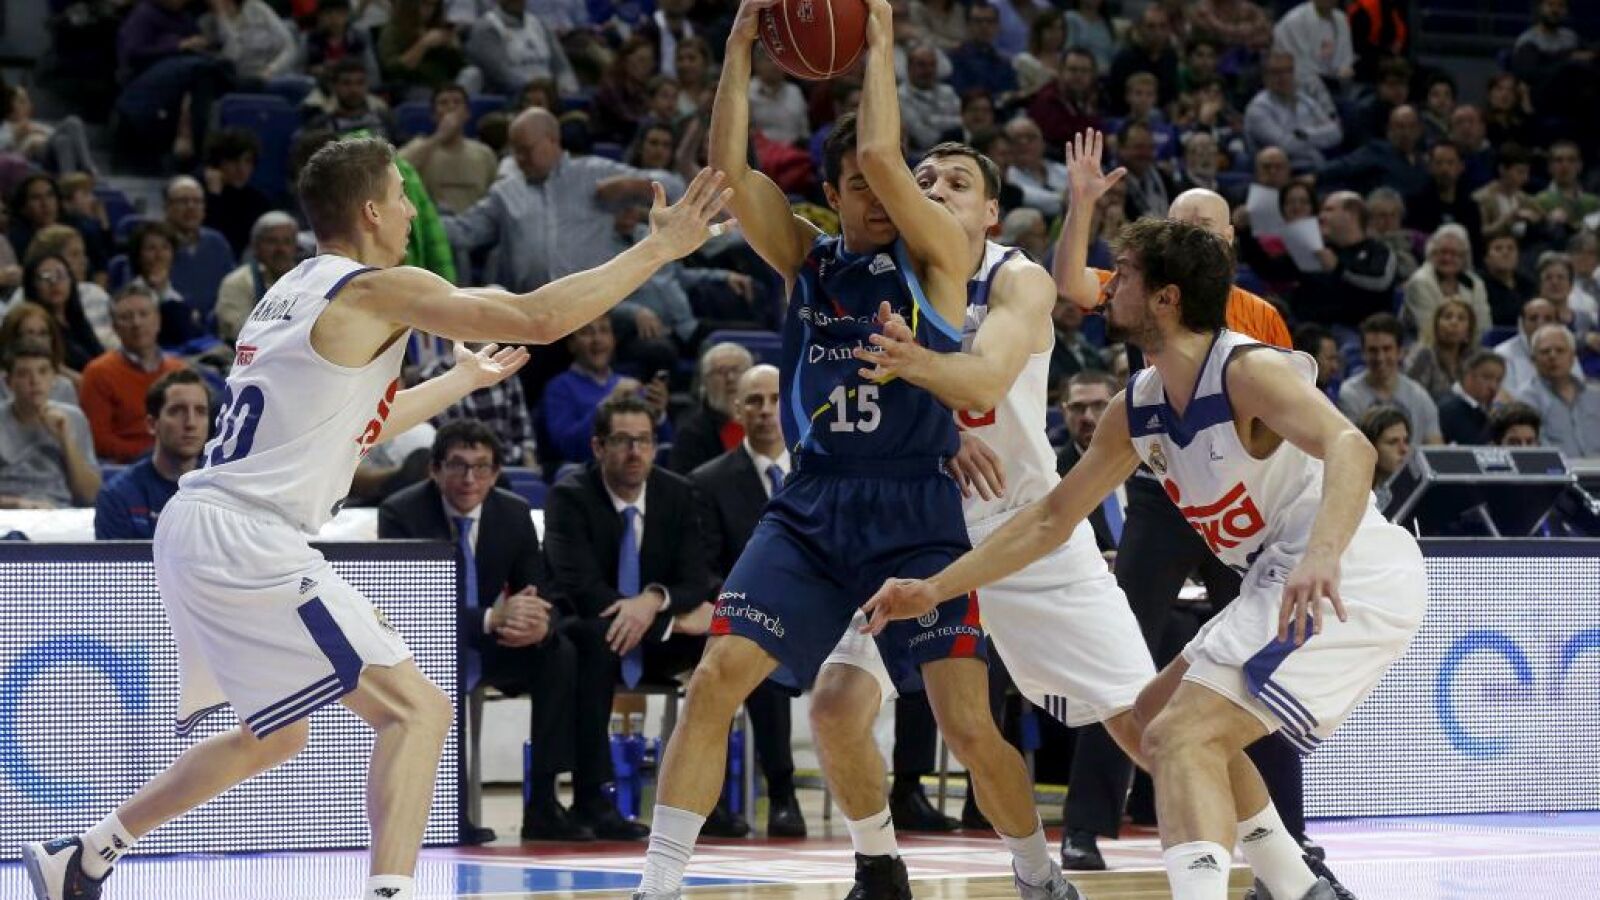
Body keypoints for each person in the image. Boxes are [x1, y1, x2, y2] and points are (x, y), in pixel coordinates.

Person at [21, 136, 731, 900]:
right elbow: (537, 316)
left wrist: (459, 379)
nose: (410, 213)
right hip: (246, 534)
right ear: (369, 210)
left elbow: (352, 430)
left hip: (203, 525)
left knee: (277, 734)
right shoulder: (375, 289)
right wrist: (658, 250)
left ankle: (84, 856)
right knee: (418, 713)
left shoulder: (290, 291)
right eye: (400, 197)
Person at [863, 215, 1428, 900]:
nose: (1106, 288)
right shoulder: (1139, 406)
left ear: (1166, 297)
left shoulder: (1246, 370)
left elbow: (1351, 446)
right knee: (1153, 720)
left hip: (1349, 572)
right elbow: (1049, 519)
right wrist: (935, 588)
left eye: (1123, 274)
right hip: (1274, 577)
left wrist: (1323, 556)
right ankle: (1299, 887)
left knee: (1183, 735)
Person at [636, 1, 1059, 897]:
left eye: (890, 186)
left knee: (966, 724)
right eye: (860, 189)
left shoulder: (937, 257)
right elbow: (729, 172)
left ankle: (1035, 872)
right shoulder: (808, 259)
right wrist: (739, 47)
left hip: (916, 511)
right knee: (716, 679)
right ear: (830, 198)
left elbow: (880, 152)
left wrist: (876, 38)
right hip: (813, 503)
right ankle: (660, 884)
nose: (881, 199)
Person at [814, 128, 1158, 896]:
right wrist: (936, 436)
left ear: (992, 212)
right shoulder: (876, 276)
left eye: (957, 182)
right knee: (841, 707)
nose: (935, 188)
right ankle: (882, 868)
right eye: (923, 179)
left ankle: (1281, 867)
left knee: (1146, 725)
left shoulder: (1016, 277)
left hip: (1023, 525)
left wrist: (942, 416)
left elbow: (984, 380)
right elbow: (845, 393)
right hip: (913, 527)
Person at [1055, 185, 1313, 873]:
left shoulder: (1260, 318)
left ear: (1228, 241)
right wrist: (1081, 202)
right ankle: (1085, 824)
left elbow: (1296, 425)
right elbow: (1073, 283)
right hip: (1164, 484)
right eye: (1179, 223)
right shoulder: (1145, 296)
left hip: (1240, 500)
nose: (1190, 233)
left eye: (1204, 225)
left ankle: (1289, 835)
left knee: (1259, 662)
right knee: (1122, 650)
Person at [376, 420, 570, 844]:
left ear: (496, 473)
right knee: (433, 668)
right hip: (427, 646)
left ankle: (544, 805)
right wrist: (489, 618)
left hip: (493, 644)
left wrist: (537, 622)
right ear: (435, 469)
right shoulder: (401, 513)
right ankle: (448, 813)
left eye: (481, 467)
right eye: (458, 466)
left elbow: (538, 589)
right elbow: (410, 610)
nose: (469, 479)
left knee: (559, 653)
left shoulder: (513, 512)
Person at [543, 395, 720, 840]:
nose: (634, 452)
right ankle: (592, 800)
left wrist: (654, 600)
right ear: (598, 446)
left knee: (724, 642)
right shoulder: (570, 495)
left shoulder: (677, 493)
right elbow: (581, 587)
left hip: (655, 632)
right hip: (592, 625)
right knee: (595, 639)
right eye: (622, 441)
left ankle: (706, 799)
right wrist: (663, 618)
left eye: (644, 441)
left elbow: (695, 580)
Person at [688, 364, 806, 838]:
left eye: (775, 399)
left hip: (823, 611)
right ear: (738, 410)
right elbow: (705, 567)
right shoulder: (708, 480)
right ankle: (782, 794)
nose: (765, 410)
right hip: (752, 613)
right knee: (757, 645)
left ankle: (906, 790)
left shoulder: (820, 471)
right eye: (754, 400)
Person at [78, 285, 189, 463]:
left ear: (158, 320)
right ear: (115, 327)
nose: (136, 323)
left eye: (144, 314)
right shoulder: (97, 373)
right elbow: (98, 441)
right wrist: (156, 456)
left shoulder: (179, 370)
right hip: (128, 466)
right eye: (126, 317)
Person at [94, 368, 209, 539]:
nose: (191, 423)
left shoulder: (224, 491)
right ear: (152, 424)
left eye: (200, 411)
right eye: (177, 411)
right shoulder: (117, 496)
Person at [0, 337, 100, 509]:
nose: (35, 381)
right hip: (8, 512)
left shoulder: (73, 418)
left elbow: (90, 495)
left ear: (54, 378)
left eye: (43, 371)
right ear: (9, 382)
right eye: (24, 374)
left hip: (59, 510)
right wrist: (17, 504)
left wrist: (65, 438)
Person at [1338, 313, 1443, 444]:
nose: (1380, 357)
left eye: (1387, 349)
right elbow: (1350, 446)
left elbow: (1435, 446)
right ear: (1363, 353)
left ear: (1400, 352)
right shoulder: (1350, 395)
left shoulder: (1419, 397)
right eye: (1373, 350)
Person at [399, 85, 500, 215]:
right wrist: (439, 136)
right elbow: (395, 170)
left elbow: (495, 197)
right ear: (434, 115)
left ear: (467, 113)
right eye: (443, 103)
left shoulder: (484, 153)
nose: (451, 107)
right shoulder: (418, 147)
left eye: (457, 102)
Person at [1243, 53, 1341, 173]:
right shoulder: (1258, 109)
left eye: (1288, 71)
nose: (1283, 77)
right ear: (1265, 77)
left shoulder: (1305, 100)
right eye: (1276, 72)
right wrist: (1319, 137)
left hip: (1318, 166)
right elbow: (1286, 146)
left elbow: (1336, 133)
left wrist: (1304, 134)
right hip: (1281, 172)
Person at [215, 212, 302, 344]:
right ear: (255, 247)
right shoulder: (236, 282)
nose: (281, 249)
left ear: (295, 248)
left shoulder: (307, 280)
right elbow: (242, 333)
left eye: (287, 242)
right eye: (272, 241)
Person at [1515, 325, 1600, 458]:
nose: (1553, 356)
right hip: (1556, 469)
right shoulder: (1525, 400)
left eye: (1560, 350)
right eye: (1545, 352)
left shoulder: (1595, 395)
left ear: (1573, 357)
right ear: (1533, 360)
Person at [668, 342, 753, 474]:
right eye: (721, 372)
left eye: (736, 370)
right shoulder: (691, 433)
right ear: (705, 382)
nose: (730, 378)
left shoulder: (772, 422)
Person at [162, 175, 237, 319]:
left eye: (197, 201)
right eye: (183, 201)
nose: (191, 206)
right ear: (167, 207)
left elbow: (231, 290)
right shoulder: (154, 244)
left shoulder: (217, 242)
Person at [1494, 298, 1581, 395]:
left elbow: (1579, 389)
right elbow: (1506, 396)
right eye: (1533, 318)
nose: (1540, 323)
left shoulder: (1565, 349)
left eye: (1548, 319)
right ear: (1522, 323)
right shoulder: (1502, 354)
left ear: (1557, 323)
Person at [1403, 297, 1480, 402]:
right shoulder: (1424, 354)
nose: (1454, 322)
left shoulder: (1473, 358)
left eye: (1461, 318)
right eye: (1447, 317)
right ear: (1436, 325)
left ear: (1468, 331)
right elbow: (1411, 397)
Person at [1437, 350, 1506, 445]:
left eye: (1498, 380)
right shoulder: (1450, 409)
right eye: (1487, 378)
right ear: (1468, 375)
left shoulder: (1485, 408)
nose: (1493, 387)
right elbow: (1476, 446)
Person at [1357, 404, 1410, 508]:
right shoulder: (1355, 493)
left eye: (1406, 441)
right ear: (1371, 446)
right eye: (1392, 442)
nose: (1404, 449)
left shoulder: (1409, 490)